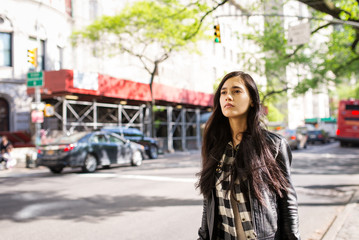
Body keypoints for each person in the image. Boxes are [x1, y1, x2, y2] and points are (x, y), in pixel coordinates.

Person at [196, 71, 300, 240]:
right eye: (223, 92)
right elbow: (209, 201)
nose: (228, 97)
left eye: (236, 91)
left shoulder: (273, 145)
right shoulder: (215, 146)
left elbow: (287, 200)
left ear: (252, 100)